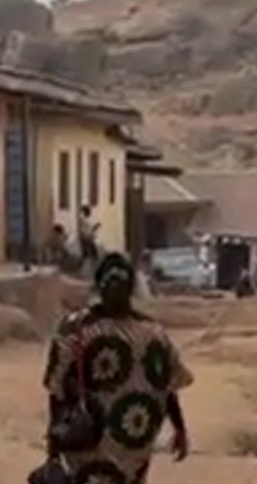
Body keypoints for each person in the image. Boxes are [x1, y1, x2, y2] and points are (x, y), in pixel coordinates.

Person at [44, 252, 192, 484]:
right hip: (134, 440)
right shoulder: (154, 333)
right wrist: (179, 429)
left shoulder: (76, 328)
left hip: (88, 441)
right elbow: (167, 386)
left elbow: (56, 389)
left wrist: (53, 444)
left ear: (97, 286)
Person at [78, 206, 101, 273]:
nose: (90, 212)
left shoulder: (84, 219)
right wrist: (96, 226)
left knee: (89, 251)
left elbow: (90, 229)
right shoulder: (84, 219)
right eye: (88, 211)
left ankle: (87, 266)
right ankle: (90, 266)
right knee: (91, 252)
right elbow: (89, 229)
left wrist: (95, 227)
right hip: (86, 237)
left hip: (87, 237)